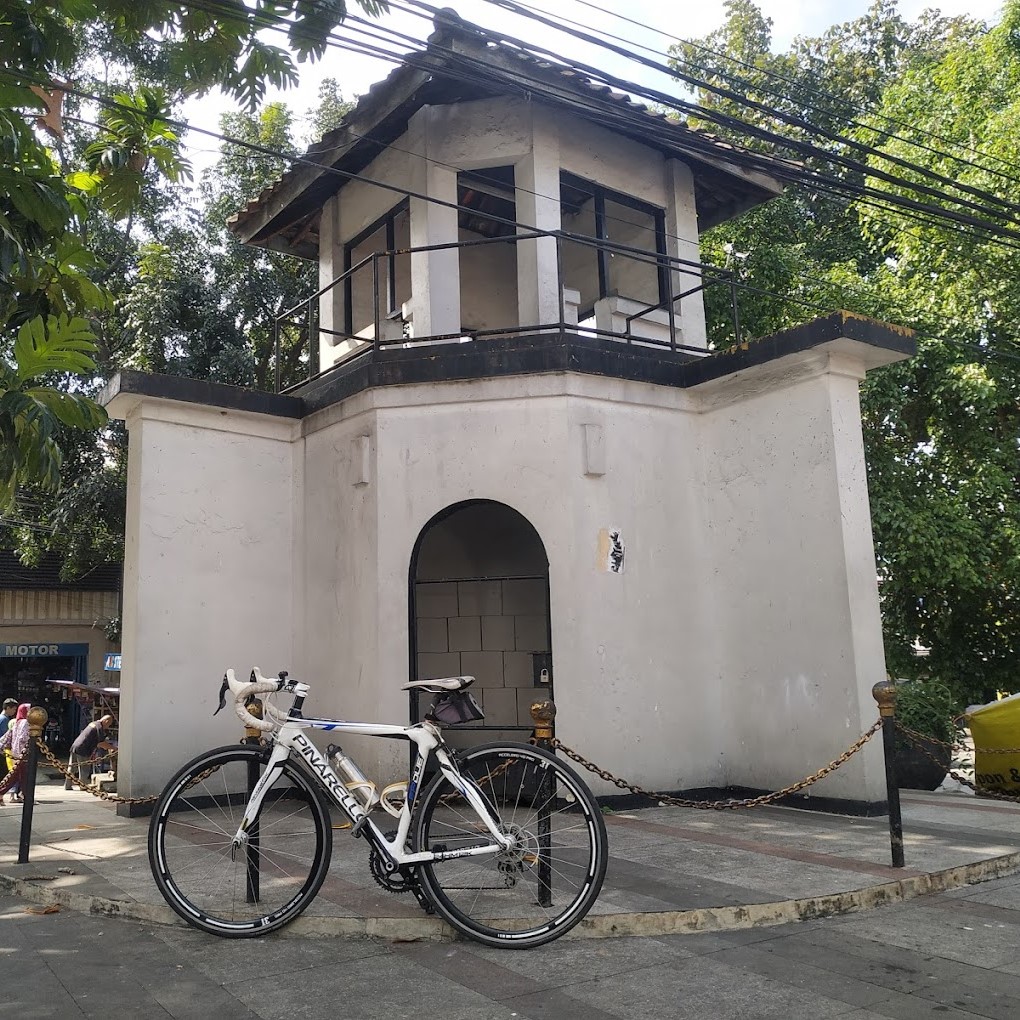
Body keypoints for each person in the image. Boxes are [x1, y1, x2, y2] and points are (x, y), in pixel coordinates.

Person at [66, 714, 115, 790]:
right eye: (109, 724)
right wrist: (114, 748)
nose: (108, 727)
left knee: (71, 768)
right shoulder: (99, 727)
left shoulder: (94, 723)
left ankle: (67, 785)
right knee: (84, 769)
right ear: (106, 721)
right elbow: (101, 743)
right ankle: (83, 786)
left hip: (75, 746)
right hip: (83, 749)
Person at [0, 704, 31, 805]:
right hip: (22, 754)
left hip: (15, 753)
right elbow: (23, 737)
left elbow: (7, 736)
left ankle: (24, 794)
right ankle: (25, 795)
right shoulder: (25, 722)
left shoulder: (17, 722)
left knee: (17, 776)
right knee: (21, 775)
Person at [0, 699, 17, 787]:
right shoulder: (4, 720)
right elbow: (6, 736)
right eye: (13, 709)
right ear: (7, 708)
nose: (14, 712)